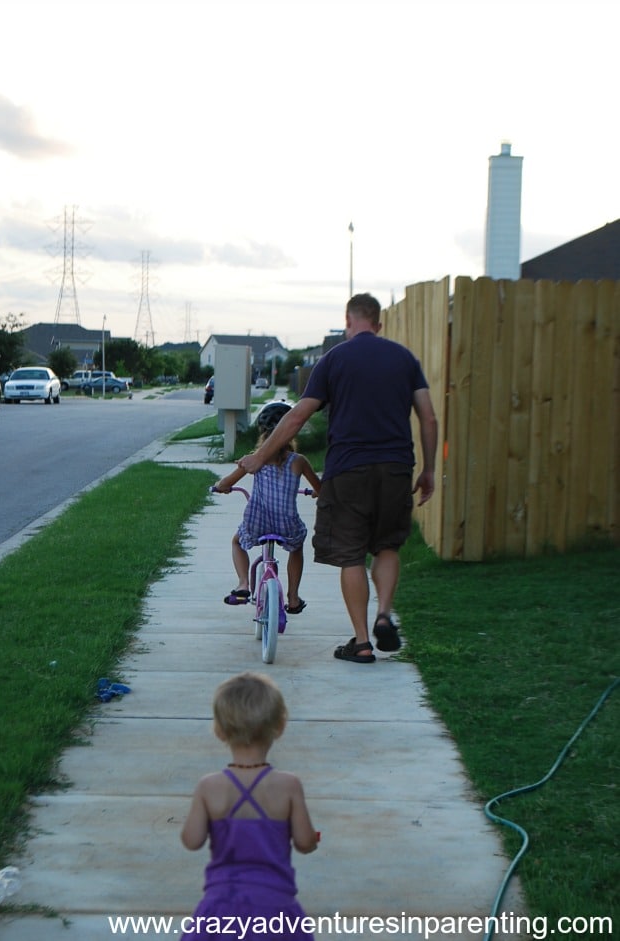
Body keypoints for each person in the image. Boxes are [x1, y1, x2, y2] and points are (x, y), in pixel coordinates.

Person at [238, 293, 438, 664]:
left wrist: (260, 457)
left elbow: (297, 416)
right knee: (387, 546)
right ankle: (383, 614)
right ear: (378, 324)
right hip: (396, 468)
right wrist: (428, 469)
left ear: (348, 321)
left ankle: (361, 642)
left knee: (351, 556)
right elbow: (428, 418)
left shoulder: (334, 360)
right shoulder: (405, 359)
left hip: (348, 471)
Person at [180, 672, 318, 939]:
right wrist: (311, 838)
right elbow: (304, 842)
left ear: (219, 730)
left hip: (221, 907)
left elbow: (191, 840)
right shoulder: (289, 786)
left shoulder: (209, 787)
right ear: (280, 726)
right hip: (275, 908)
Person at [214, 401, 321, 614]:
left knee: (237, 542)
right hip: (287, 524)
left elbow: (227, 483)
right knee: (297, 546)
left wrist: (220, 487)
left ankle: (243, 584)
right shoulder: (299, 461)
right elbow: (321, 488)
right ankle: (292, 597)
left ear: (262, 432)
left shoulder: (255, 461)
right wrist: (317, 492)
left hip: (258, 522)